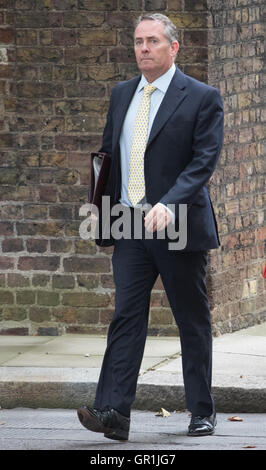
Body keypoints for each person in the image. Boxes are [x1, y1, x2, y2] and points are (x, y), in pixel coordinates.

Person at [77, 13, 224, 440]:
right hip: (128, 223)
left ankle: (201, 410)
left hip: (176, 225)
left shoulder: (200, 96)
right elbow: (108, 155)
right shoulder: (122, 94)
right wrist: (101, 210)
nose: (143, 48)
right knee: (126, 316)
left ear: (173, 47)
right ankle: (113, 414)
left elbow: (202, 163)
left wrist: (169, 204)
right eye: (139, 41)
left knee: (190, 318)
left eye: (153, 41)